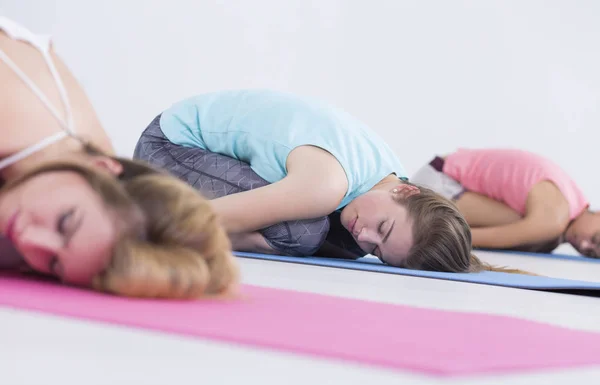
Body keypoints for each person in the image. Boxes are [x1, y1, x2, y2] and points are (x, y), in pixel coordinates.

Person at [133, 89, 503, 273]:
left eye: (378, 250)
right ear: (406, 190)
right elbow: (206, 218)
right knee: (304, 234)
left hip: (198, 151)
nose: (366, 237)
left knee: (338, 244)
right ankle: (140, 209)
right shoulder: (325, 185)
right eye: (384, 229)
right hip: (167, 146)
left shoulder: (386, 172)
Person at [0, 15, 239, 298]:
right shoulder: (17, 117)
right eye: (65, 221)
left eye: (54, 265)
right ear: (101, 168)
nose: (29, 241)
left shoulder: (93, 195)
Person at [411, 148, 599, 258]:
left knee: (540, 237)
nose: (584, 246)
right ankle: (431, 229)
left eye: (591, 253)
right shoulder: (557, 215)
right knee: (538, 234)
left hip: (440, 182)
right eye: (595, 239)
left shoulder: (570, 198)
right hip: (437, 183)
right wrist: (440, 240)